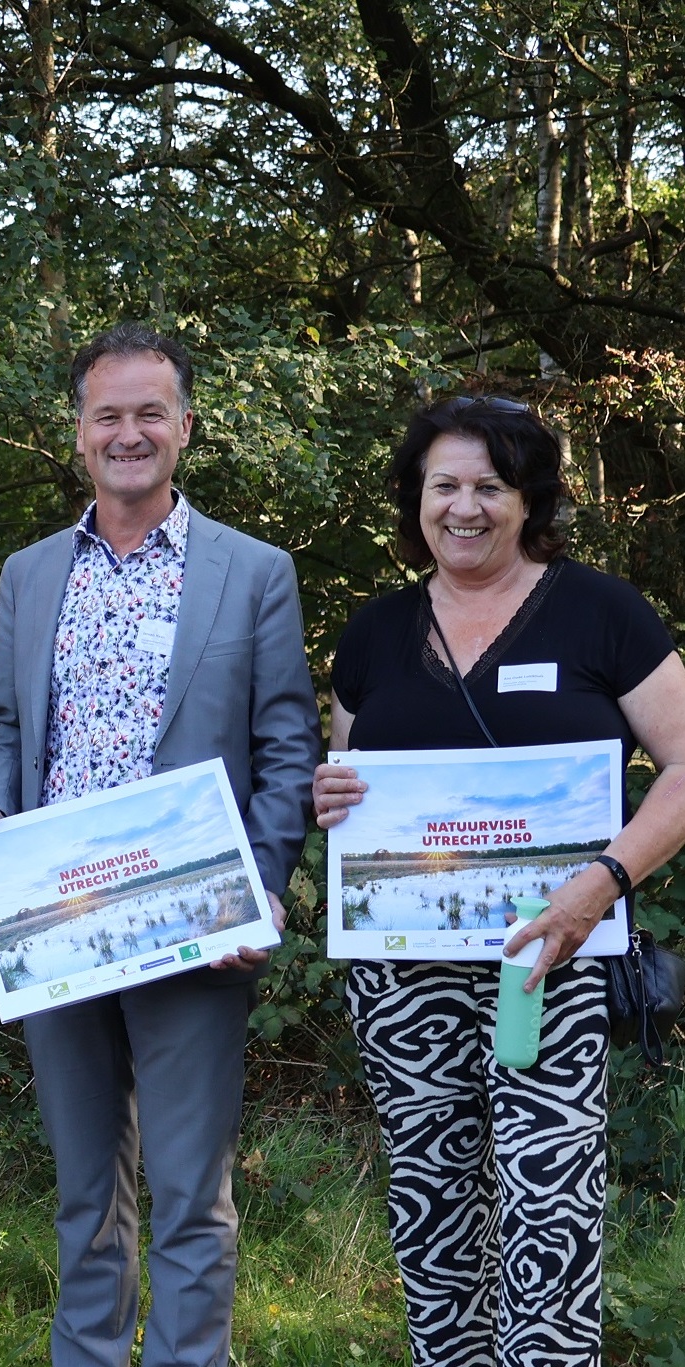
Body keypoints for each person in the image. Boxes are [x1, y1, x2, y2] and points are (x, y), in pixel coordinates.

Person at [0, 323, 320, 1367]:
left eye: (148, 413)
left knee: (191, 1195)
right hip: (56, 916)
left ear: (184, 426)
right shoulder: (30, 573)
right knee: (84, 1193)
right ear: (77, 431)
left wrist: (260, 886)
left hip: (194, 921)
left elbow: (285, 745)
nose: (128, 433)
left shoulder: (252, 571)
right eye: (107, 414)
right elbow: (3, 729)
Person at [312, 396, 685, 1366]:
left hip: (551, 958)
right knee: (432, 1210)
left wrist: (602, 881)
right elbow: (348, 785)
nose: (464, 506)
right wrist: (328, 792)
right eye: (443, 485)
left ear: (529, 499)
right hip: (402, 978)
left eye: (489, 485)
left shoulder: (601, 612)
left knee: (545, 1205)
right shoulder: (374, 633)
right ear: (415, 498)